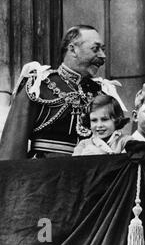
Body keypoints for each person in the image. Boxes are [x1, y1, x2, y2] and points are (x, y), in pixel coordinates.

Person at [0, 25, 126, 160]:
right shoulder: (38, 86)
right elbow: (12, 149)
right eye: (95, 49)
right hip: (47, 175)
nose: (102, 56)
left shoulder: (101, 91)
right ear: (73, 49)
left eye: (103, 50)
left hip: (92, 176)